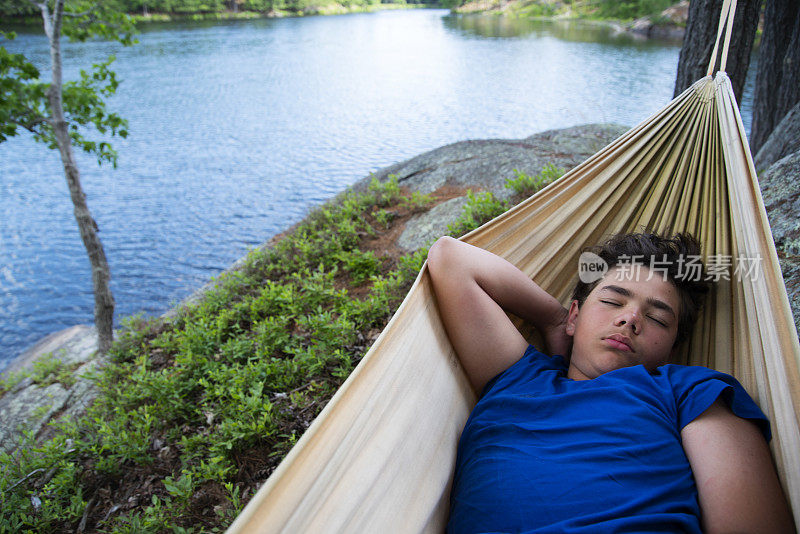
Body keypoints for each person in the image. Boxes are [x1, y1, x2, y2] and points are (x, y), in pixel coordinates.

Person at [426, 232, 794, 533]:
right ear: (575, 315)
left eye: (658, 319)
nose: (631, 319)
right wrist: (553, 321)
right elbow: (450, 259)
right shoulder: (517, 375)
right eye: (612, 301)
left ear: (670, 349)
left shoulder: (689, 390)